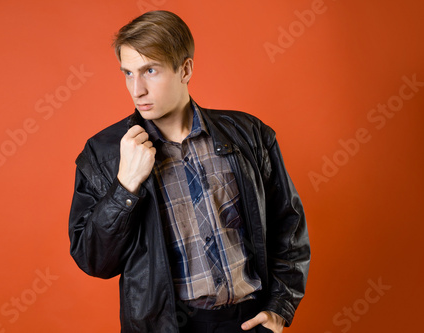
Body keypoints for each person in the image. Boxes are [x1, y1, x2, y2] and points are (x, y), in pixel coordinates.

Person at [69, 10, 310, 333]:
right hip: (169, 326)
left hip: (248, 321)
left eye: (149, 71)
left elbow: (289, 225)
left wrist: (280, 307)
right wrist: (125, 187)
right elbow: (94, 260)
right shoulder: (104, 154)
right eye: (127, 73)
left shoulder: (248, 134)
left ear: (185, 69)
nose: (136, 89)